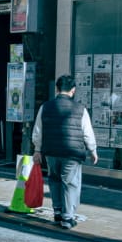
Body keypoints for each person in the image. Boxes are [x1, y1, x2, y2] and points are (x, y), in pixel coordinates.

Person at [32, 75, 99, 230]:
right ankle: (67, 218)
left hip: (51, 151)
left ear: (57, 89)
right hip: (71, 153)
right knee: (70, 183)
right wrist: (92, 150)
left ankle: (57, 212)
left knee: (54, 180)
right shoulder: (80, 109)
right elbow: (87, 132)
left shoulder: (46, 107)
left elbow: (38, 130)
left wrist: (37, 150)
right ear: (73, 90)